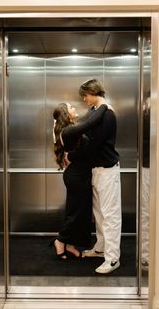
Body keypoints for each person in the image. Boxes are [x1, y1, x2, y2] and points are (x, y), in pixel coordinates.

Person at [67, 79, 122, 274]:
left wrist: (71, 156)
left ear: (93, 92)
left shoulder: (107, 114)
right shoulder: (95, 113)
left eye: (85, 95)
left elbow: (94, 144)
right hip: (97, 170)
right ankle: (101, 248)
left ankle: (113, 258)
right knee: (99, 214)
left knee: (110, 215)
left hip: (108, 170)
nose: (83, 98)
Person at [52, 101, 108, 259]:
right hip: (76, 177)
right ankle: (60, 240)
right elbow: (90, 123)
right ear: (65, 114)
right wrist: (103, 105)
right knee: (77, 213)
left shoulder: (70, 130)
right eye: (71, 107)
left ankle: (69, 244)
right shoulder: (69, 130)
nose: (74, 108)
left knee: (79, 212)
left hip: (79, 176)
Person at [141, 92, 150, 270]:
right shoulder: (146, 117)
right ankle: (146, 254)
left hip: (153, 167)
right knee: (146, 213)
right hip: (147, 167)